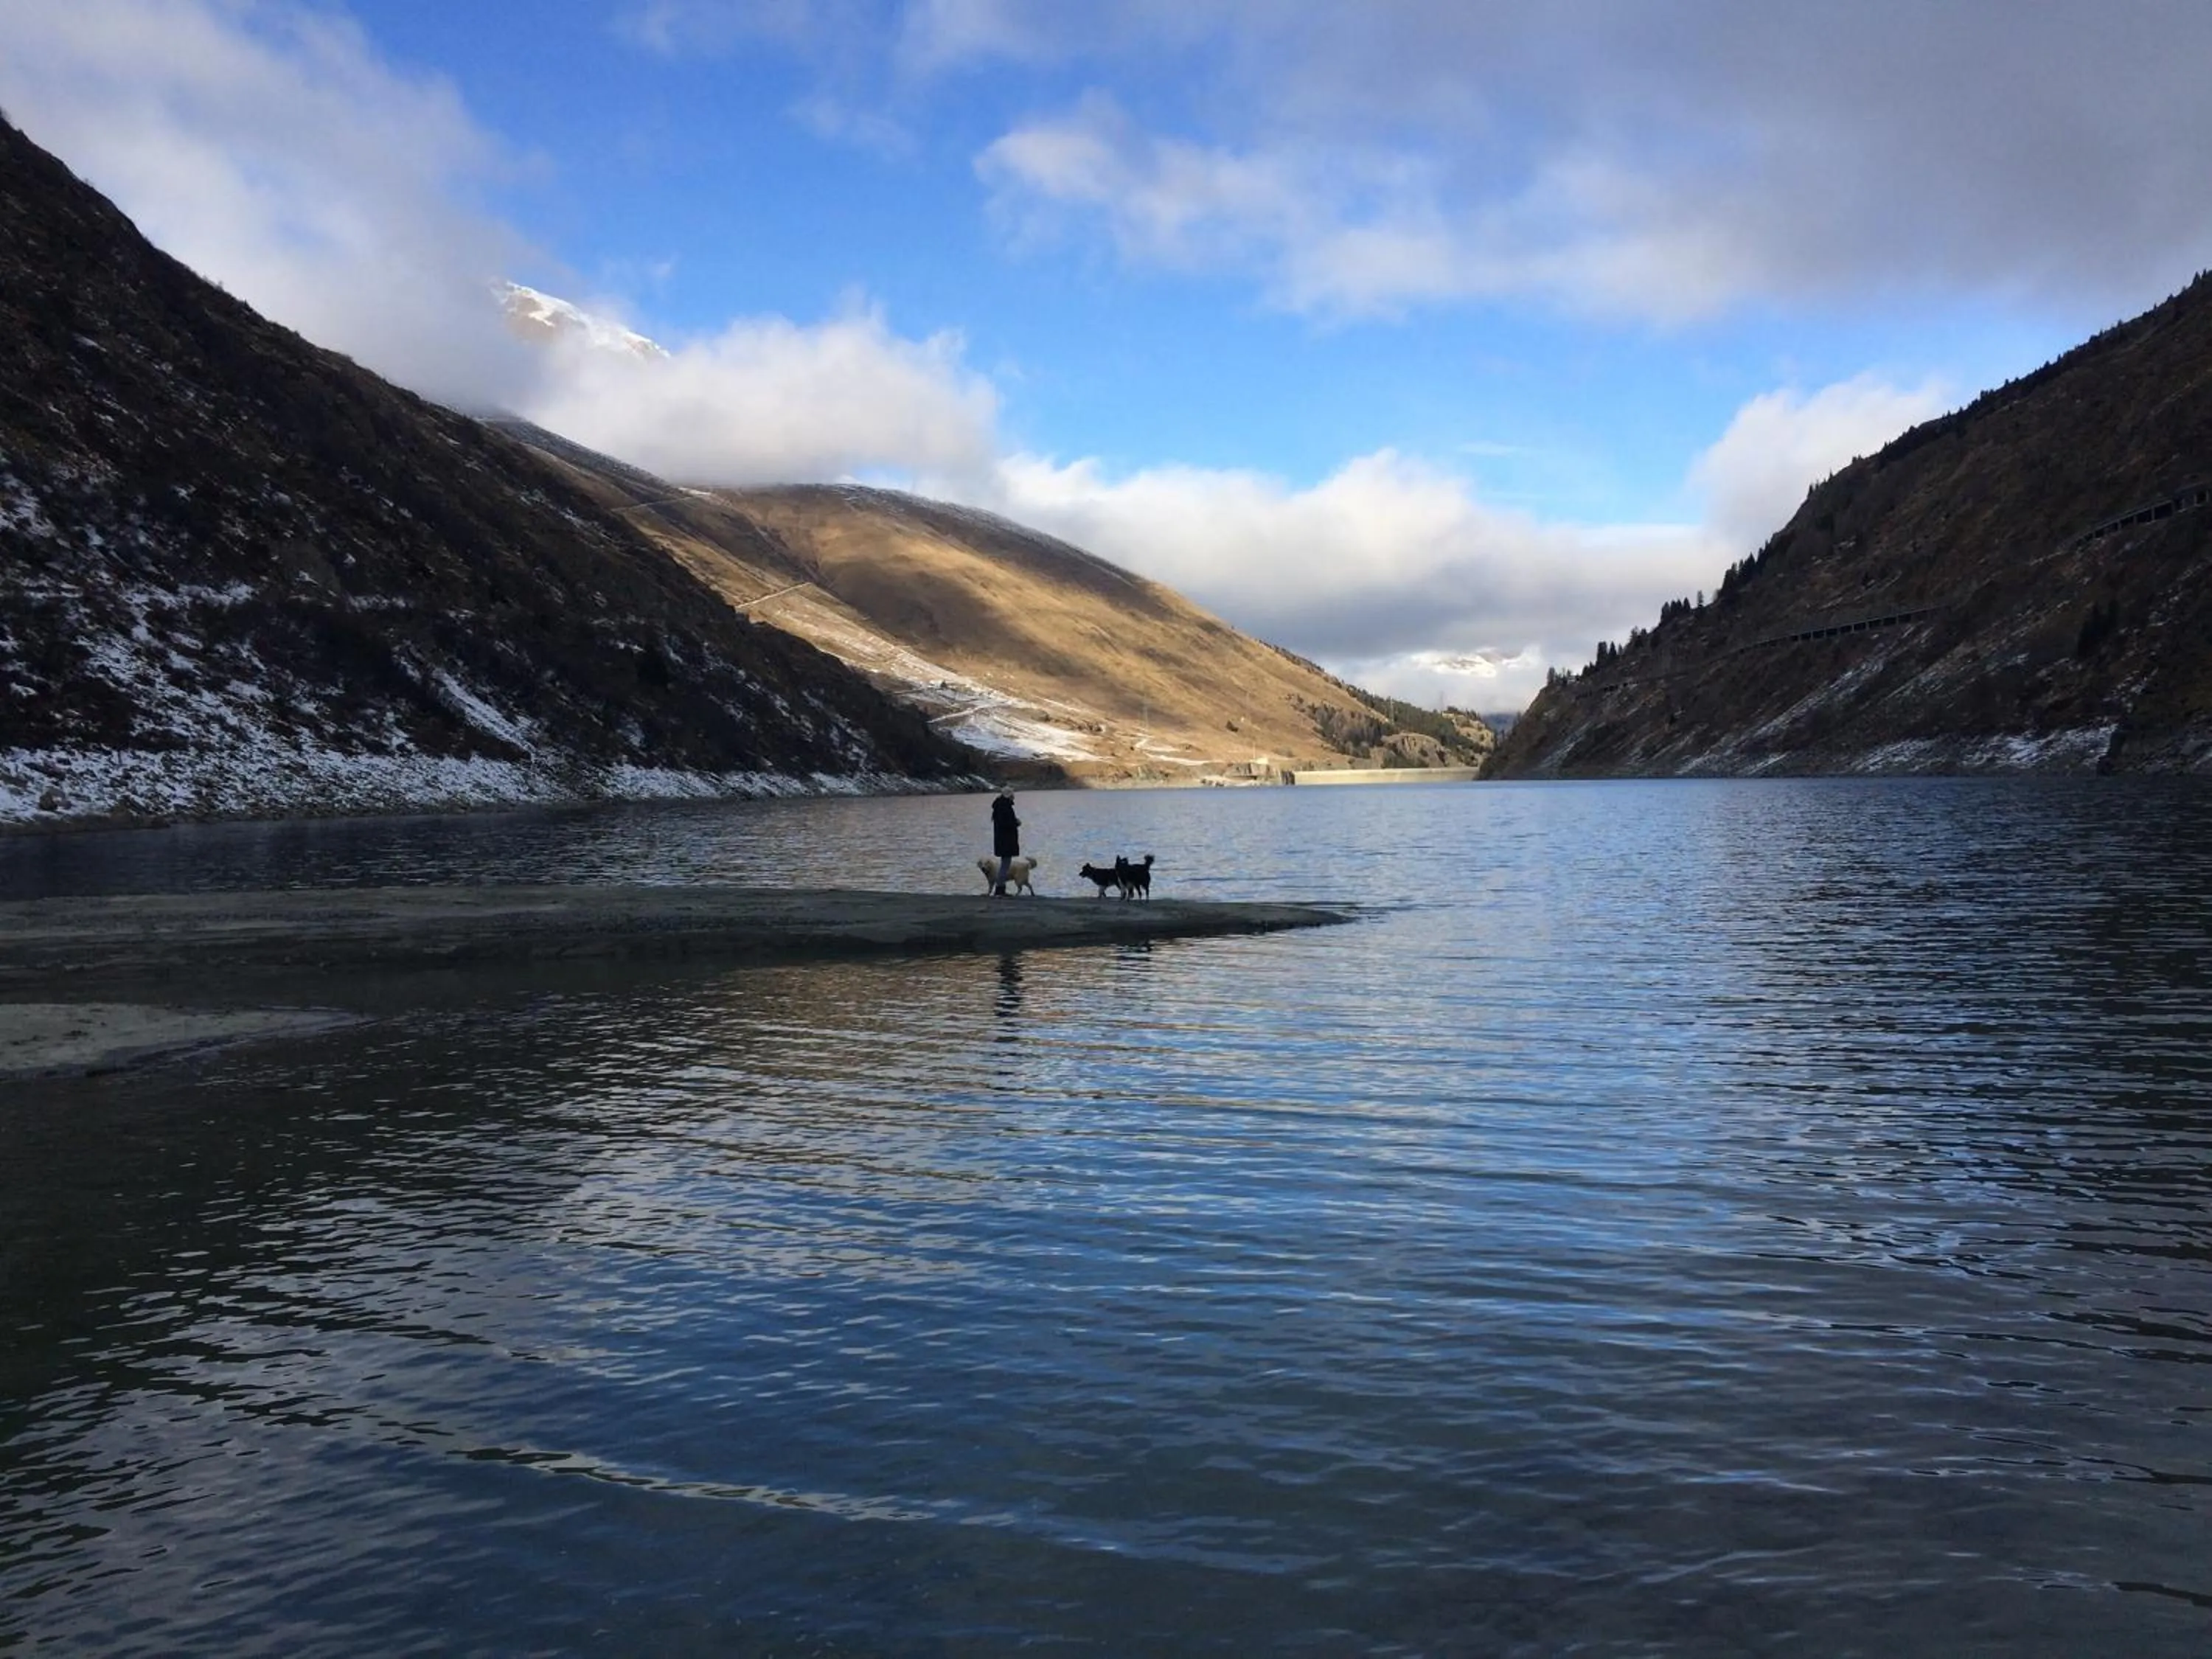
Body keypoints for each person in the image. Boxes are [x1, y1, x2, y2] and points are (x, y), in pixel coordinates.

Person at [990, 789, 1020, 896]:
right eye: (1012, 795)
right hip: (1006, 841)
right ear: (1009, 796)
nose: (1014, 798)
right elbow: (1007, 824)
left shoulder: (999, 806)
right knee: (1005, 865)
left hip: (1001, 840)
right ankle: (1000, 889)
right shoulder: (1005, 807)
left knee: (1005, 864)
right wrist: (1016, 823)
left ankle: (1000, 888)